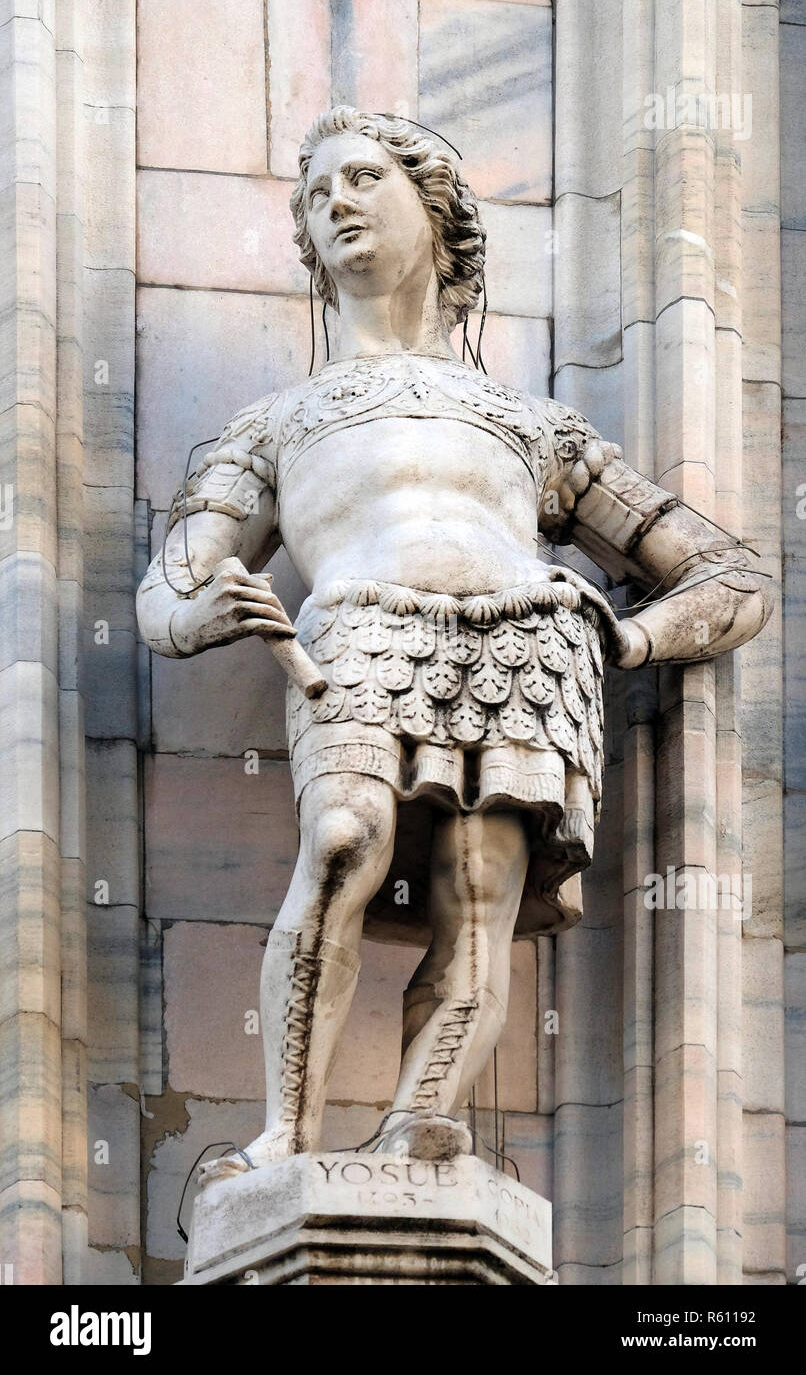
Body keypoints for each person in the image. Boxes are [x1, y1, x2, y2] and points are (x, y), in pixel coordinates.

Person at [136, 108, 772, 1177]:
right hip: (358, 632)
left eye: (359, 177)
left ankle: (414, 1128)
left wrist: (627, 638)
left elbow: (732, 575)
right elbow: (169, 585)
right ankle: (283, 1136)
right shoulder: (274, 423)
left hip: (529, 649)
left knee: (480, 894)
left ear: (433, 209)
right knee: (343, 841)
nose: (332, 201)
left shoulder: (533, 425)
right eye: (312, 194)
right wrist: (198, 619)